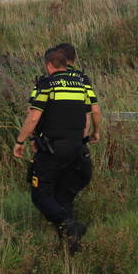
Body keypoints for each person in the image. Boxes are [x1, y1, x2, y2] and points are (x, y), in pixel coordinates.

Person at [13, 46, 101, 252]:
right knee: (64, 197)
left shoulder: (46, 83)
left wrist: (21, 141)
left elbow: (33, 115)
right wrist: (94, 133)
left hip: (53, 149)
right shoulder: (82, 83)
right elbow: (93, 112)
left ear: (49, 65)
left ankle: (71, 226)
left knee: (41, 195)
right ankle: (71, 246)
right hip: (79, 150)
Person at [54, 42, 100, 214]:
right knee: (70, 186)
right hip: (78, 143)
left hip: (54, 143)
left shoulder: (50, 78)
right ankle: (67, 221)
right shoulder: (82, 79)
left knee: (53, 188)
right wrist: (95, 132)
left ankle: (63, 223)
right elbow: (94, 110)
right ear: (73, 58)